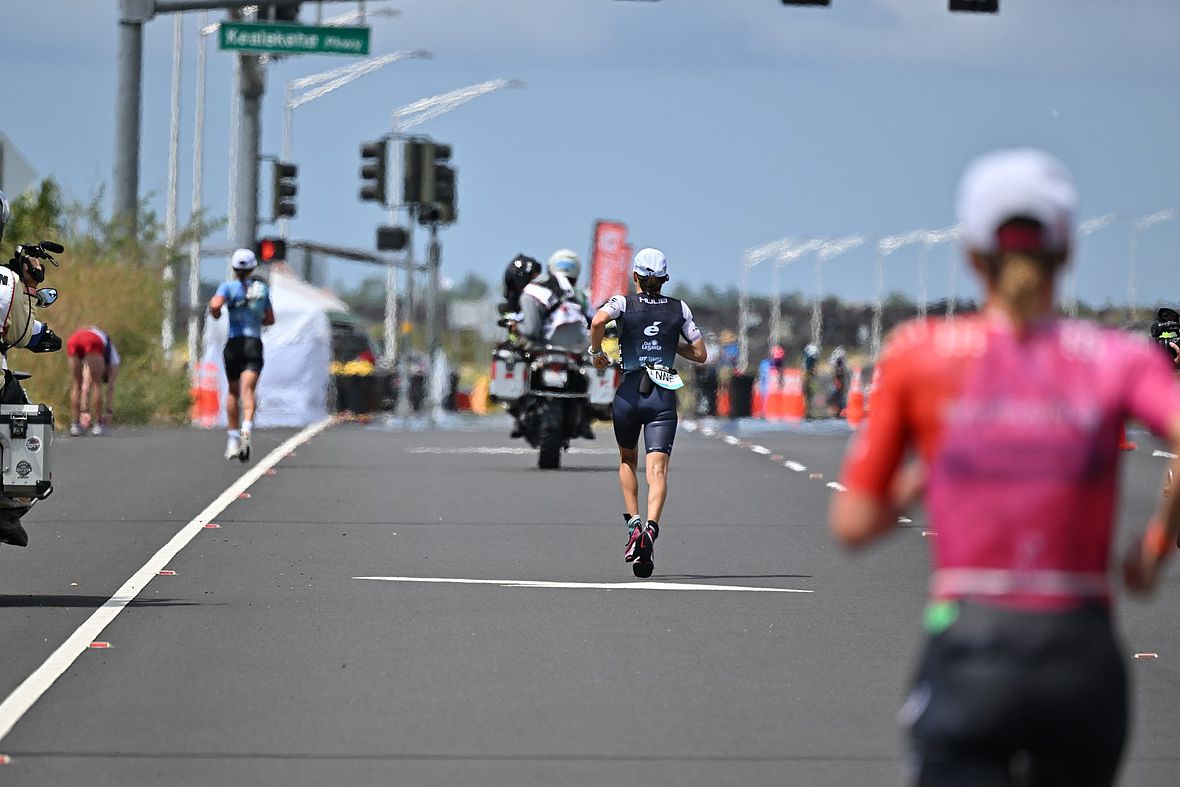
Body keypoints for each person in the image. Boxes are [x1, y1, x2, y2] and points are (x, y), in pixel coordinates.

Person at [829, 148, 1180, 787]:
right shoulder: (1117, 358)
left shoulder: (922, 354)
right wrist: (1156, 547)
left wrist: (929, 475)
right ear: (1068, 253)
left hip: (972, 645)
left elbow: (852, 522)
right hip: (1081, 650)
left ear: (972, 255)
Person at [589, 248, 707, 576]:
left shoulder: (624, 302)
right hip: (662, 394)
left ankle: (634, 527)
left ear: (636, 277)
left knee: (628, 460)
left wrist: (596, 352)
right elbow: (700, 354)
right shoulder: (679, 308)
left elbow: (598, 320)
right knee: (658, 472)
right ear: (665, 279)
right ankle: (651, 530)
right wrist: (670, 342)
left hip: (629, 392)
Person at [519, 249, 595, 439]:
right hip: (575, 351)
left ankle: (520, 414)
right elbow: (595, 320)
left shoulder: (533, 291)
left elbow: (530, 330)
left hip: (543, 350)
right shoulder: (580, 295)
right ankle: (584, 421)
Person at [208, 249, 274, 461]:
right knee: (248, 390)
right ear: (253, 267)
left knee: (233, 391)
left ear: (234, 269)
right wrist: (257, 319)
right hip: (253, 343)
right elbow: (270, 319)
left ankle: (232, 438)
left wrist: (218, 312)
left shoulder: (228, 287)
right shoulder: (262, 289)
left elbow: (215, 306)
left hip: (234, 343)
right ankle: (247, 426)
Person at [66, 326, 119, 436]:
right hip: (92, 339)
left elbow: (85, 386)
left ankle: (76, 424)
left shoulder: (104, 347)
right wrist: (109, 412)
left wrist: (85, 412)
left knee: (77, 384)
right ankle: (99, 424)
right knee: (97, 384)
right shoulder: (114, 360)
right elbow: (110, 388)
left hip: (75, 338)